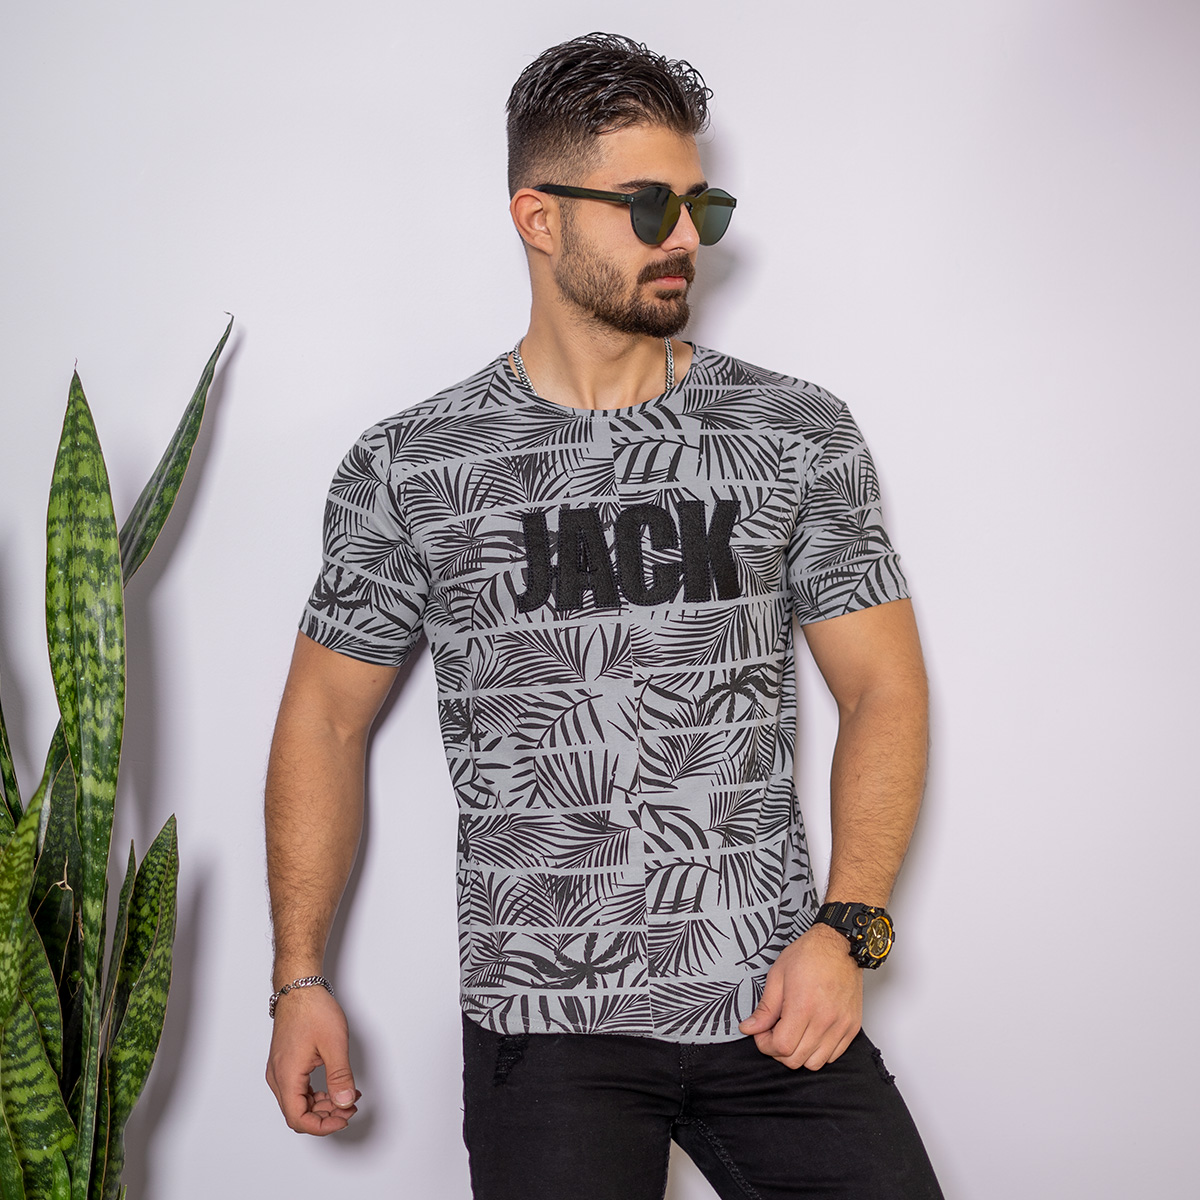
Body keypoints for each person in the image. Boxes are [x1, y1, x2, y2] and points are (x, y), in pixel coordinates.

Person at [265, 31, 942, 1200]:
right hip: (544, 1029)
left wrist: (849, 929)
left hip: (776, 1001)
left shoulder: (795, 434)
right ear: (538, 218)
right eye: (648, 206)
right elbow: (325, 718)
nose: (685, 238)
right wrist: (299, 979)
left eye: (699, 206)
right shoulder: (414, 464)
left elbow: (882, 687)